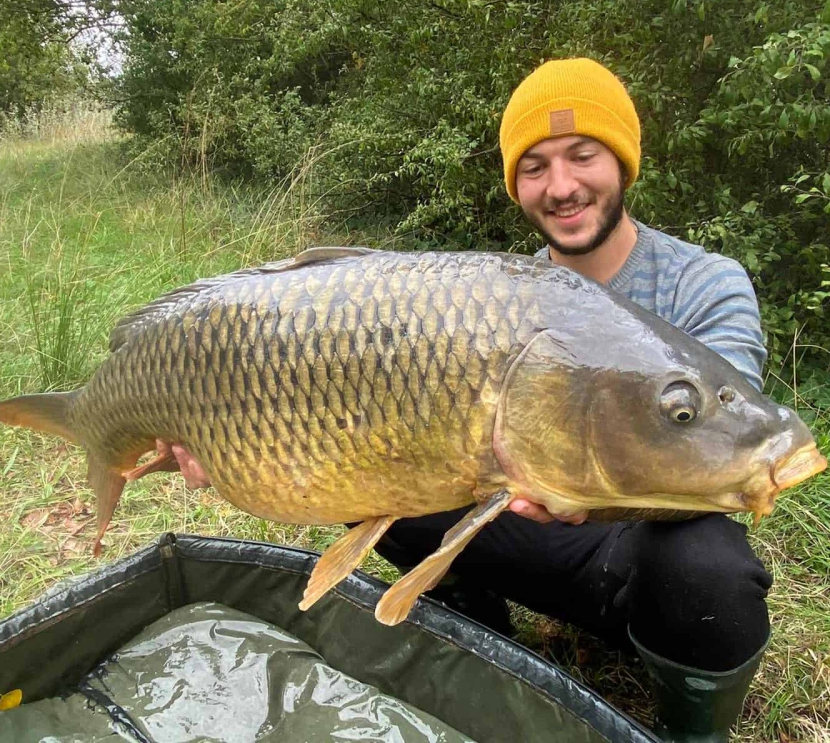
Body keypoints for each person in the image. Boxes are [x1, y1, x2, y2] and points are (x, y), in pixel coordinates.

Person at [160, 59, 773, 743]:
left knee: (709, 568)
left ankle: (692, 728)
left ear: (624, 162)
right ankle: (477, 634)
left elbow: (721, 447)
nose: (561, 186)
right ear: (516, 184)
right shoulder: (503, 299)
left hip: (643, 563)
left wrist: (585, 494)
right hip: (529, 541)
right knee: (375, 470)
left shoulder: (705, 283)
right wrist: (227, 440)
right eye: (535, 166)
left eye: (583, 155)